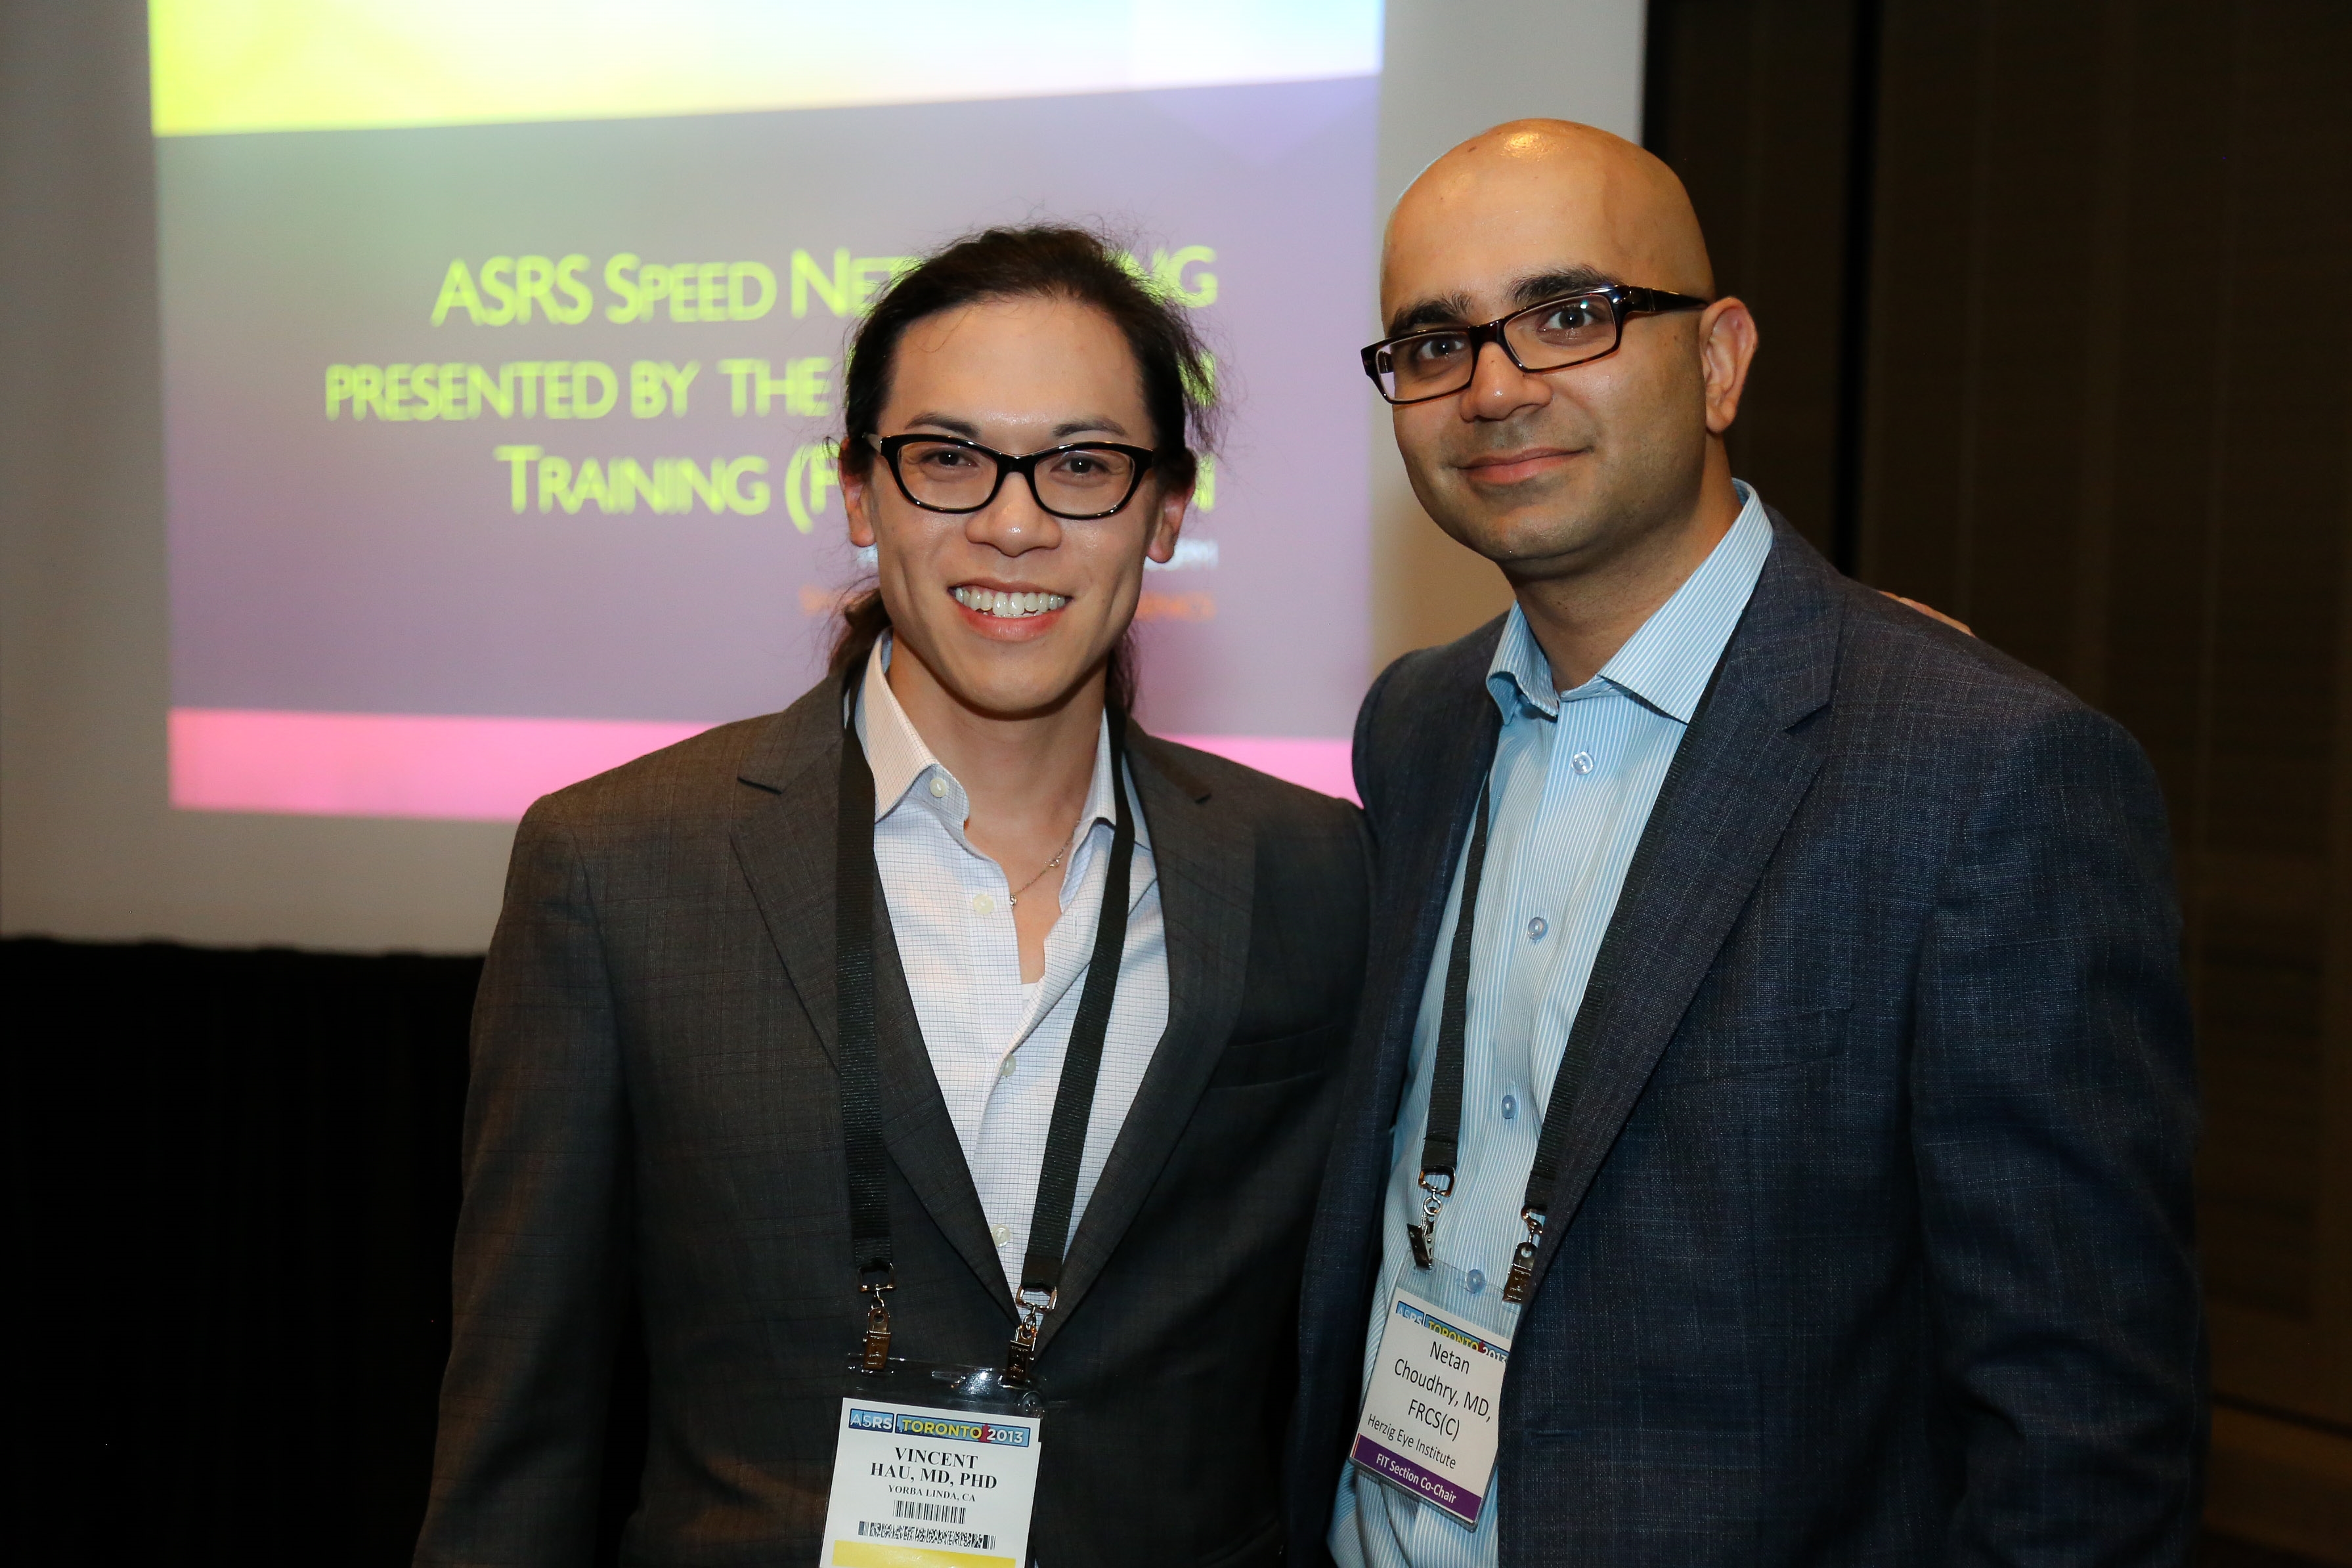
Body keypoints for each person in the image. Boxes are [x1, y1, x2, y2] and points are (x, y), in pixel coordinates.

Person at [1287, 121, 2202, 1565]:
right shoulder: (1414, 726)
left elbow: (2083, 1429)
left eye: (1570, 314)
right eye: (1436, 343)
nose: (1496, 388)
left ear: (1718, 361)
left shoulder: (1983, 773)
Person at [415, 225, 1368, 1567]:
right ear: (860, 492)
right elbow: (521, 1427)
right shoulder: (617, 867)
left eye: (1082, 464)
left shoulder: (1319, 872)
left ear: (1166, 508)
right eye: (949, 458)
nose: (1015, 523)